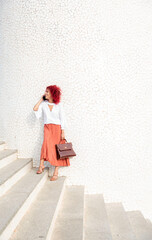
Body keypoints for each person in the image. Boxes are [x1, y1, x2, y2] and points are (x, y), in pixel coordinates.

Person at [33, 85, 70, 181]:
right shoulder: (43, 104)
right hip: (47, 127)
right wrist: (41, 99)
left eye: (47, 92)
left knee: (57, 149)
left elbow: (62, 118)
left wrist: (63, 131)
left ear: (53, 94)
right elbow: (35, 109)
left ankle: (56, 172)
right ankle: (41, 165)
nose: (45, 93)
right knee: (45, 144)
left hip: (57, 128)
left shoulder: (59, 105)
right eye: (45, 91)